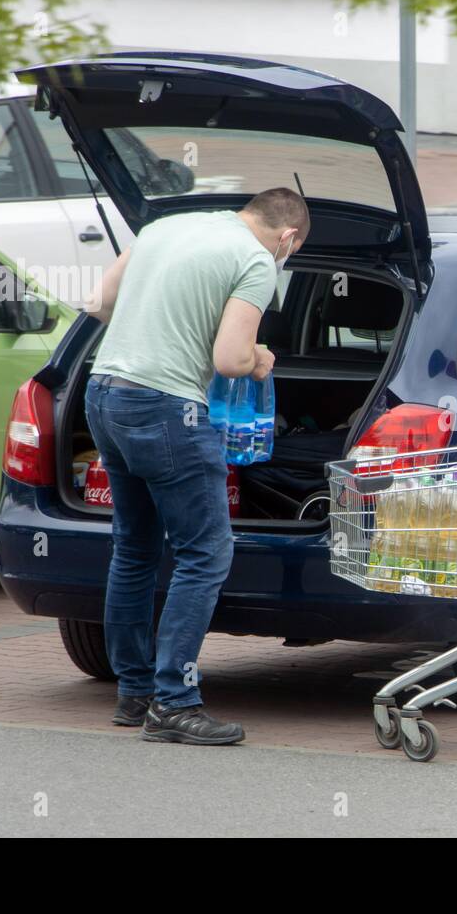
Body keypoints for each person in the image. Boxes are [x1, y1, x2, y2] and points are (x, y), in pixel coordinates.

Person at [83, 188, 309, 744]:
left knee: (135, 545)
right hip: (165, 408)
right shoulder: (256, 260)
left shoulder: (165, 226)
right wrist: (261, 361)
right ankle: (175, 702)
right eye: (292, 254)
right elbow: (229, 359)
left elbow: (99, 304)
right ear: (287, 238)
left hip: (103, 392)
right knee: (206, 553)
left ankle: (135, 692)